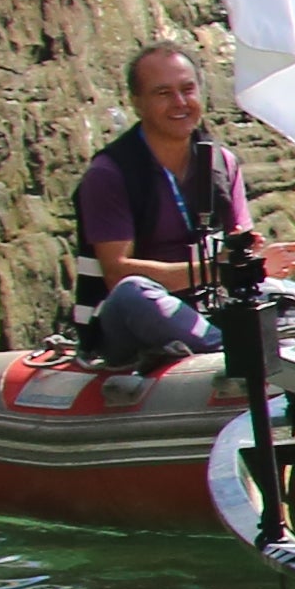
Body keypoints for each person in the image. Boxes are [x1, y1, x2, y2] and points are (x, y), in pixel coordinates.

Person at [70, 39, 253, 364]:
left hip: (208, 307)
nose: (180, 102)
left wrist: (253, 261)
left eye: (187, 89)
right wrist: (216, 271)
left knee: (293, 297)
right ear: (137, 103)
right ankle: (234, 354)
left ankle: (249, 353)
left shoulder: (221, 163)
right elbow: (117, 272)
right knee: (134, 294)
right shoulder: (109, 174)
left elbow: (239, 249)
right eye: (163, 93)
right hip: (133, 320)